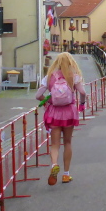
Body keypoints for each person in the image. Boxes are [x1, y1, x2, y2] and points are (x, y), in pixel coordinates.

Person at [35, 52, 87, 185]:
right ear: (70, 62)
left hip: (54, 113)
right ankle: (66, 174)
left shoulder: (49, 77)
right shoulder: (73, 76)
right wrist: (81, 104)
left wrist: (48, 101)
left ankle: (54, 165)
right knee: (67, 142)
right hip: (69, 112)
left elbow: (38, 95)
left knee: (55, 144)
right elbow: (82, 92)